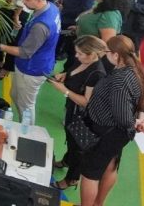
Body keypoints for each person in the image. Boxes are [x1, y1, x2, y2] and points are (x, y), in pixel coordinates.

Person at [79, 35, 144, 206]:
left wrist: (132, 123)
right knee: (110, 165)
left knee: (90, 174)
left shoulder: (119, 80)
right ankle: (98, 203)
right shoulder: (137, 71)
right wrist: (140, 120)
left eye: (107, 52)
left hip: (106, 133)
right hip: (117, 135)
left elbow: (122, 116)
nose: (105, 55)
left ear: (116, 55)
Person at [0, 0, 60, 124]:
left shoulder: (41, 26)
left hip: (32, 69)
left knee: (26, 107)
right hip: (31, 63)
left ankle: (26, 131)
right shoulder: (51, 7)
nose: (23, 2)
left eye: (27, 0)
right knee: (15, 95)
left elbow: (24, 52)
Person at [46, 35, 108, 190]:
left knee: (77, 148)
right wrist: (64, 75)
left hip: (81, 117)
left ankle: (72, 178)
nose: (76, 55)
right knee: (70, 140)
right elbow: (73, 73)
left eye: (80, 53)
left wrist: (64, 90)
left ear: (92, 54)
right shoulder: (81, 61)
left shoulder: (96, 73)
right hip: (72, 110)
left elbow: (86, 102)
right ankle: (67, 160)